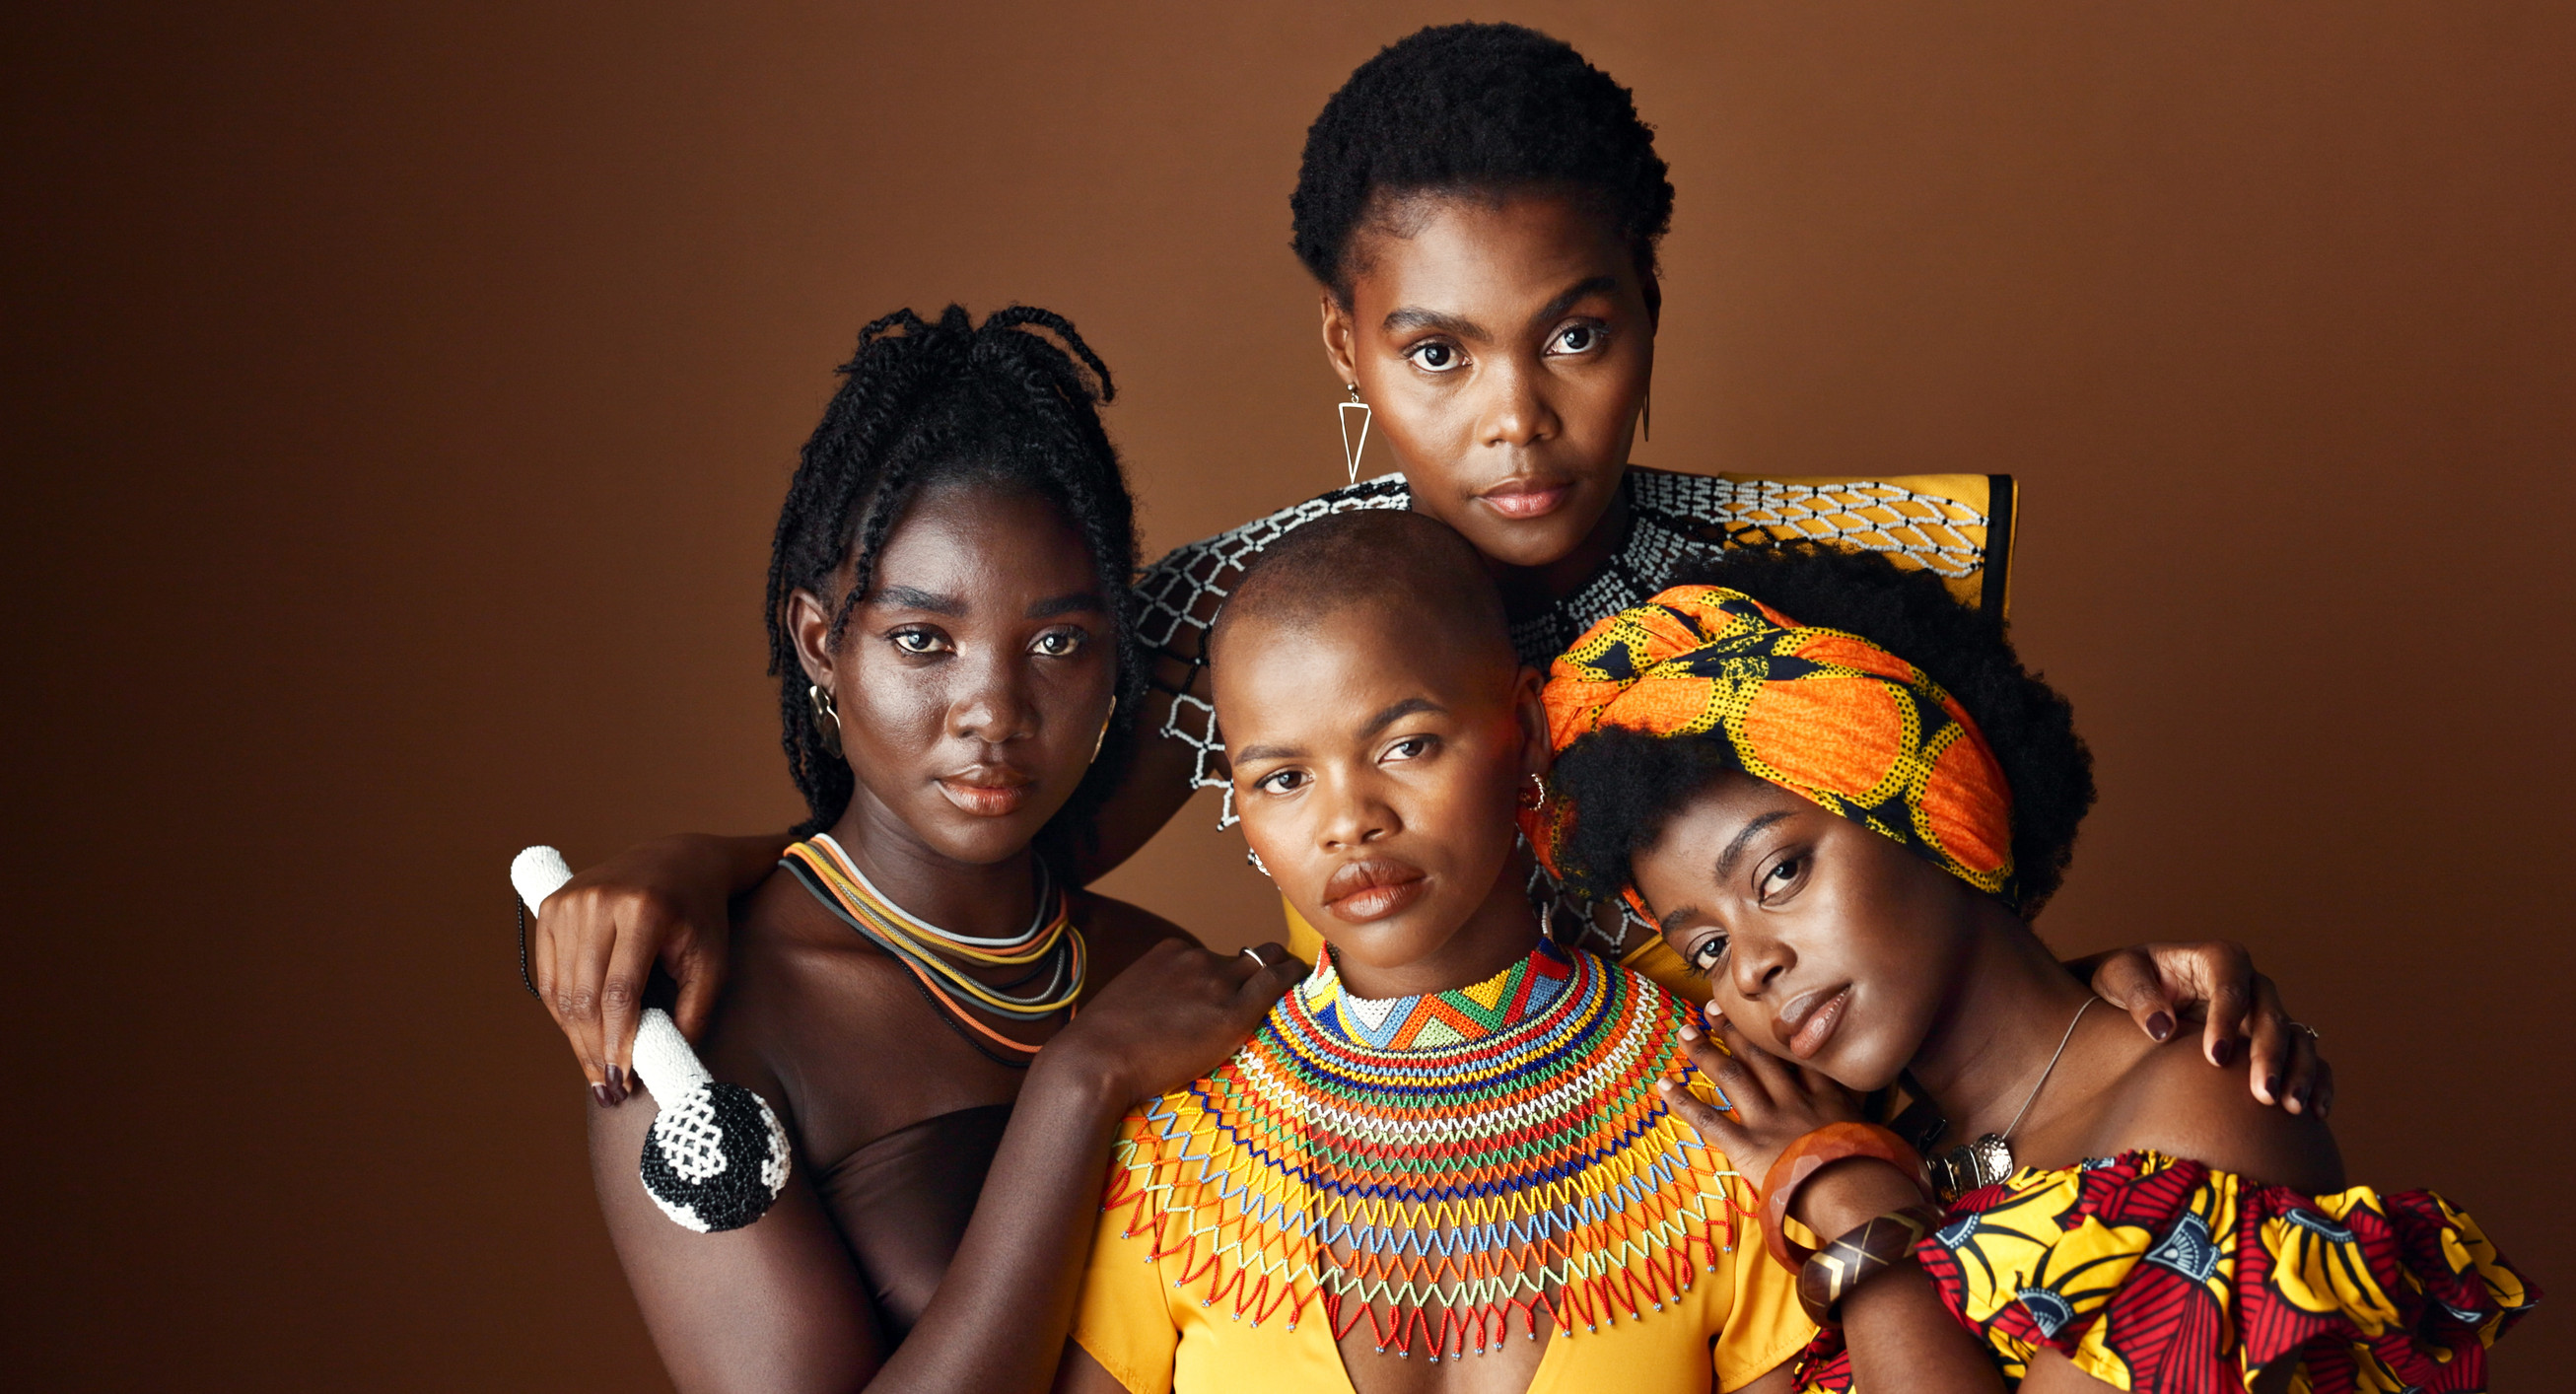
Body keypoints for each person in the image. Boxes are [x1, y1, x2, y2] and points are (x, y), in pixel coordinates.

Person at [530, 21, 2323, 1140]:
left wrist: (2133, 997)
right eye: (1442, 355)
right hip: (1420, 1254)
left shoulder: (1813, 578)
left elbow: (1951, 971)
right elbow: (957, 852)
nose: (1519, 420)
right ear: (1350, 344)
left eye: (1579, 335)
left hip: (1783, 1277)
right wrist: (700, 864)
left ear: (1648, 312)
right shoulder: (1242, 629)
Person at [1543, 545, 2539, 1393]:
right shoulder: (1858, 1134)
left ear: (1932, 805)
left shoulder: (2199, 1104)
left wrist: (1858, 1218)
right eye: (1705, 945)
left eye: (1780, 871)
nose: (1749, 967)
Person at [584, 304, 1308, 1394]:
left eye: (1058, 643)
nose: (993, 710)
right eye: (923, 640)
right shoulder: (698, 1030)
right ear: (822, 642)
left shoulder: (1161, 973)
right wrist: (1077, 1086)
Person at [1056, 510, 1812, 1394]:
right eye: (1284, 779)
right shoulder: (1172, 1148)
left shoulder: (1722, 1110)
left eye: (1406, 746)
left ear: (1524, 729)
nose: (1348, 822)